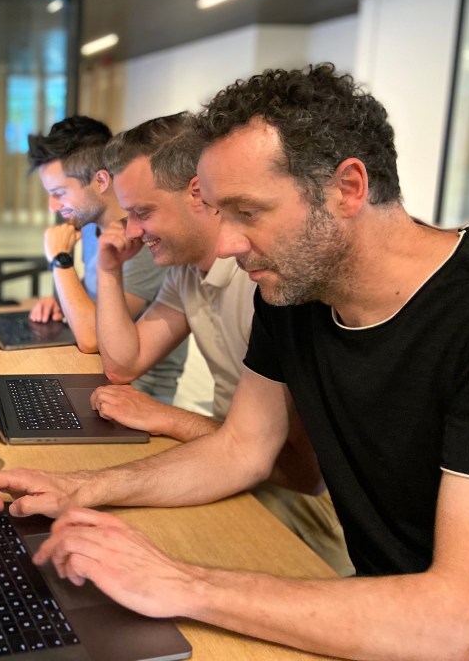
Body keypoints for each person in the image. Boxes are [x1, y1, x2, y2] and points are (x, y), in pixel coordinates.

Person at [0, 64, 469, 660]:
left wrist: (181, 584)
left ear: (348, 188)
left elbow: (466, 621)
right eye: (222, 214)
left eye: (248, 212)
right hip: (380, 612)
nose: (226, 244)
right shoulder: (295, 288)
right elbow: (241, 449)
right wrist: (80, 488)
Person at [89, 112, 351, 575]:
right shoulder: (188, 272)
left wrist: (167, 417)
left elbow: (297, 472)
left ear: (197, 194)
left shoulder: (270, 285)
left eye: (142, 213)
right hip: (243, 464)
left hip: (311, 510)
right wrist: (107, 271)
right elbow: (123, 364)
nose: (130, 231)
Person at [26, 115, 186, 402]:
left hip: (139, 395)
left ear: (100, 180)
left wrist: (60, 261)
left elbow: (93, 338)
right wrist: (64, 299)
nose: (52, 206)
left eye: (59, 193)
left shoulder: (142, 240)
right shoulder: (90, 226)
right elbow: (94, 310)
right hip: (96, 377)